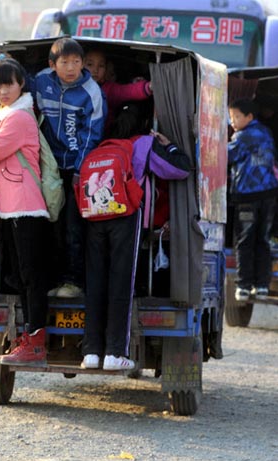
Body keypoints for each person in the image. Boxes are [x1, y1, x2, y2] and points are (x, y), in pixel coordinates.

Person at [81, 106, 191, 371]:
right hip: (125, 217)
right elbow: (180, 169)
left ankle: (91, 352)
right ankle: (115, 353)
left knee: (95, 282)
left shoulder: (102, 146)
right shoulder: (142, 144)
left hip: (94, 217)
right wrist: (170, 146)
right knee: (121, 282)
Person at [0, 57, 50, 366]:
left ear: (21, 84)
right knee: (22, 276)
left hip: (26, 207)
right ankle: (29, 336)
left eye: (8, 84)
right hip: (14, 207)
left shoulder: (19, 117)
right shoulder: (7, 114)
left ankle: (36, 340)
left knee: (32, 277)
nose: (2, 90)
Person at [34, 37, 106, 298]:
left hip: (78, 169)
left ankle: (73, 282)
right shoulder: (40, 82)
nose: (71, 67)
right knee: (49, 224)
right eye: (64, 62)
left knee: (74, 226)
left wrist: (79, 171)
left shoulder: (91, 92)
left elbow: (91, 136)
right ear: (52, 64)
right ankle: (52, 280)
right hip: (47, 166)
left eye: (76, 61)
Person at [228, 98, 278, 301]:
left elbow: (226, 156)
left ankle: (244, 285)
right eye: (231, 117)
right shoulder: (266, 133)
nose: (233, 121)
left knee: (245, 240)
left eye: (236, 117)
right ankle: (263, 285)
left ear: (249, 117)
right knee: (263, 240)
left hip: (247, 196)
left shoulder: (242, 136)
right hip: (269, 195)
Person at [83, 49, 153, 131]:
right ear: (81, 66)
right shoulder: (73, 87)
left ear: (105, 70)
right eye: (90, 64)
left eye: (101, 66)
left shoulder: (108, 90)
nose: (95, 70)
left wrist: (149, 86)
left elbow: (127, 91)